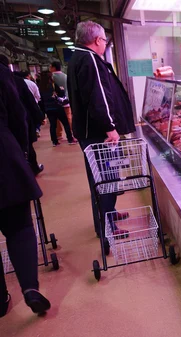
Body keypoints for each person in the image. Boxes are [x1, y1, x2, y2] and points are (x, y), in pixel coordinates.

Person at [68, 21, 136, 237]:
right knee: (104, 179)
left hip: (92, 133)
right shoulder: (89, 59)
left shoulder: (79, 57)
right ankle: (106, 227)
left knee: (108, 176)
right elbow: (99, 98)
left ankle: (110, 213)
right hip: (99, 135)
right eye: (105, 40)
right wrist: (110, 128)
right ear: (97, 40)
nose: (105, 44)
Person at [0, 55, 51, 318]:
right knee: (19, 227)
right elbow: (18, 115)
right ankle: (30, 288)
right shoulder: (1, 73)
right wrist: (22, 151)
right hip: (3, 157)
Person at [13, 71, 45, 175]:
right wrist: (40, 117)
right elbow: (30, 101)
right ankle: (33, 168)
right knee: (27, 146)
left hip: (8, 122)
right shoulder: (17, 81)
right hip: (21, 118)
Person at [38, 71, 76, 146]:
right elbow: (61, 94)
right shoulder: (53, 85)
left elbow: (41, 101)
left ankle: (54, 141)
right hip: (57, 107)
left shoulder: (40, 87)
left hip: (48, 109)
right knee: (65, 123)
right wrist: (61, 90)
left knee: (53, 125)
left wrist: (43, 112)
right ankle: (70, 139)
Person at [50, 61, 72, 138]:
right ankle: (72, 133)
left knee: (57, 120)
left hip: (56, 101)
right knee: (68, 117)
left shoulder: (51, 77)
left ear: (53, 67)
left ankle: (59, 135)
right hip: (66, 100)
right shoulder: (65, 76)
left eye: (50, 67)